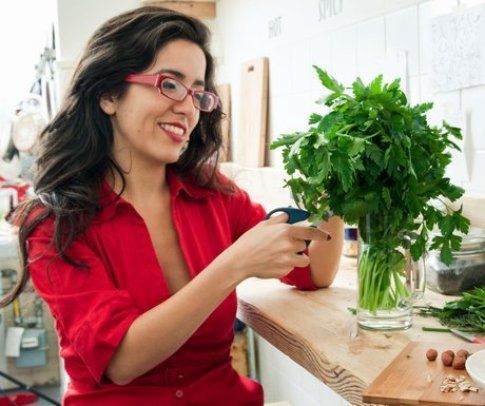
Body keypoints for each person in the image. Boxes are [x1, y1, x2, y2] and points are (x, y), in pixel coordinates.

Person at [2, 6, 344, 406]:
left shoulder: (212, 193)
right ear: (109, 94)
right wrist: (234, 264)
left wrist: (342, 187)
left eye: (198, 92)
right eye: (169, 85)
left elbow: (313, 272)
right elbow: (122, 360)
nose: (188, 107)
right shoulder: (53, 223)